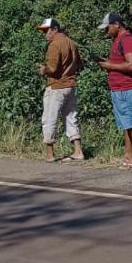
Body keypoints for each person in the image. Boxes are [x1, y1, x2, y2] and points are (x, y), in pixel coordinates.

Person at [96, 11, 132, 169]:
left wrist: (110, 65)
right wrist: (108, 63)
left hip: (128, 88)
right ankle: (128, 154)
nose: (106, 31)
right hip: (117, 88)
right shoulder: (117, 40)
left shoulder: (128, 40)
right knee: (125, 123)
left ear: (116, 24)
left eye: (107, 27)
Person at [36, 17, 84, 163]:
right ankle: (78, 151)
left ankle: (50, 154)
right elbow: (80, 64)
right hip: (71, 85)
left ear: (55, 29)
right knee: (71, 118)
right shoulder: (71, 42)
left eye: (47, 30)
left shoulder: (54, 45)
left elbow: (53, 69)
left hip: (56, 86)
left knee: (49, 118)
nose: (46, 34)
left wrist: (44, 70)